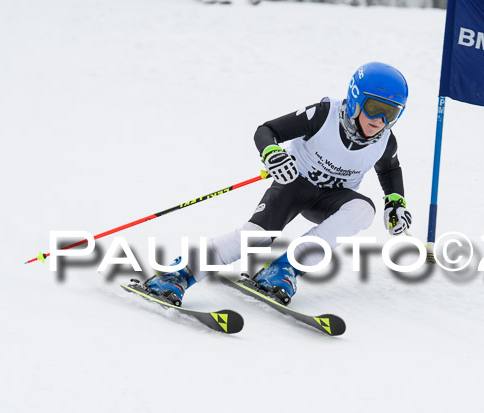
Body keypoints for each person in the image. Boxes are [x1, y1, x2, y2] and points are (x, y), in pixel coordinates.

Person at [143, 62, 413, 305]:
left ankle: (284, 269)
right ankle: (178, 274)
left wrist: (395, 202)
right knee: (256, 238)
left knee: (363, 210)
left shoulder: (385, 140)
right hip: (294, 185)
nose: (381, 122)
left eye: (391, 113)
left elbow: (390, 168)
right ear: (355, 99)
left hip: (332, 199)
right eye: (375, 108)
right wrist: (272, 153)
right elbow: (267, 131)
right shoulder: (323, 115)